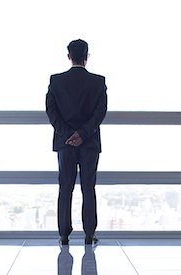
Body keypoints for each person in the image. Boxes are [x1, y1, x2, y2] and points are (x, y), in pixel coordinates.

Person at [46, 39, 107, 245]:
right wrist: (82, 134)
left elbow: (51, 111)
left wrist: (67, 135)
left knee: (65, 188)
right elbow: (100, 113)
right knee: (88, 188)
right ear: (87, 56)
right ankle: (89, 234)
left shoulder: (56, 81)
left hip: (65, 144)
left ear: (69, 56)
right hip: (89, 143)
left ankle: (64, 234)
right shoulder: (98, 82)